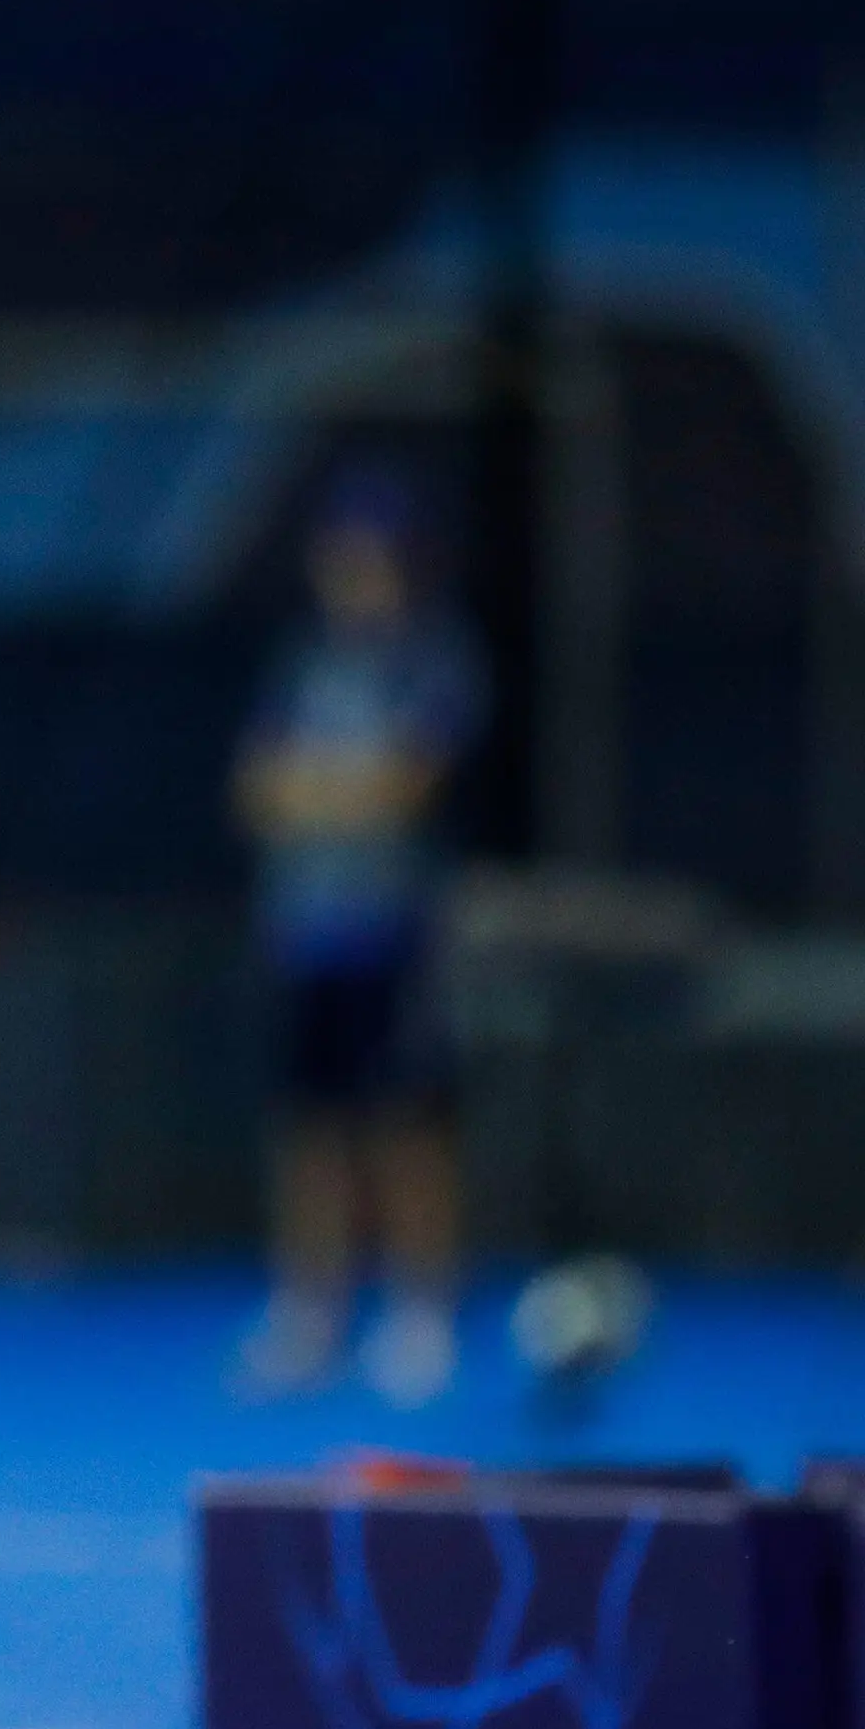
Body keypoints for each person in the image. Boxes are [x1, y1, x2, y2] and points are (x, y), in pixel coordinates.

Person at [229, 472, 485, 1407]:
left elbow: (409, 787)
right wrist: (347, 788)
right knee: (309, 1124)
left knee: (408, 1121)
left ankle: (421, 1312)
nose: (356, 576)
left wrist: (321, 791)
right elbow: (255, 790)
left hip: (398, 931)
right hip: (305, 932)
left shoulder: (435, 659)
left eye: (372, 559)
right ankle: (311, 1307)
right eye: (342, 558)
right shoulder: (301, 665)